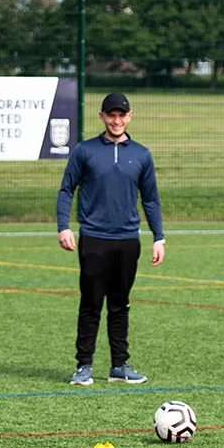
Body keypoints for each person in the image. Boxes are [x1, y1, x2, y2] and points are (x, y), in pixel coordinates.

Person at [57, 92, 164, 386]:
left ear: (130, 117)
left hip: (128, 240)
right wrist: (63, 226)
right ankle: (84, 366)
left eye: (122, 115)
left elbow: (151, 199)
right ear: (101, 116)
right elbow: (67, 189)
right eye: (111, 115)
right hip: (94, 239)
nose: (116, 120)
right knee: (91, 303)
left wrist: (159, 237)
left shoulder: (141, 154)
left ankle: (120, 365)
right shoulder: (85, 151)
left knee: (121, 303)